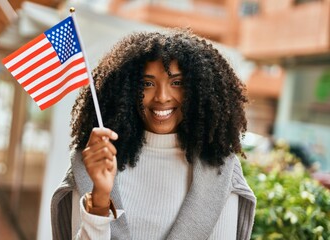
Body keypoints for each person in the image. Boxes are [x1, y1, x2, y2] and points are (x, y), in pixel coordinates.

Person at [51, 29, 256, 240]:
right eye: (147, 84)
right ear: (128, 89)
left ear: (198, 90)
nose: (162, 97)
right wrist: (100, 195)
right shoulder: (93, 162)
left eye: (177, 83)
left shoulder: (220, 170)